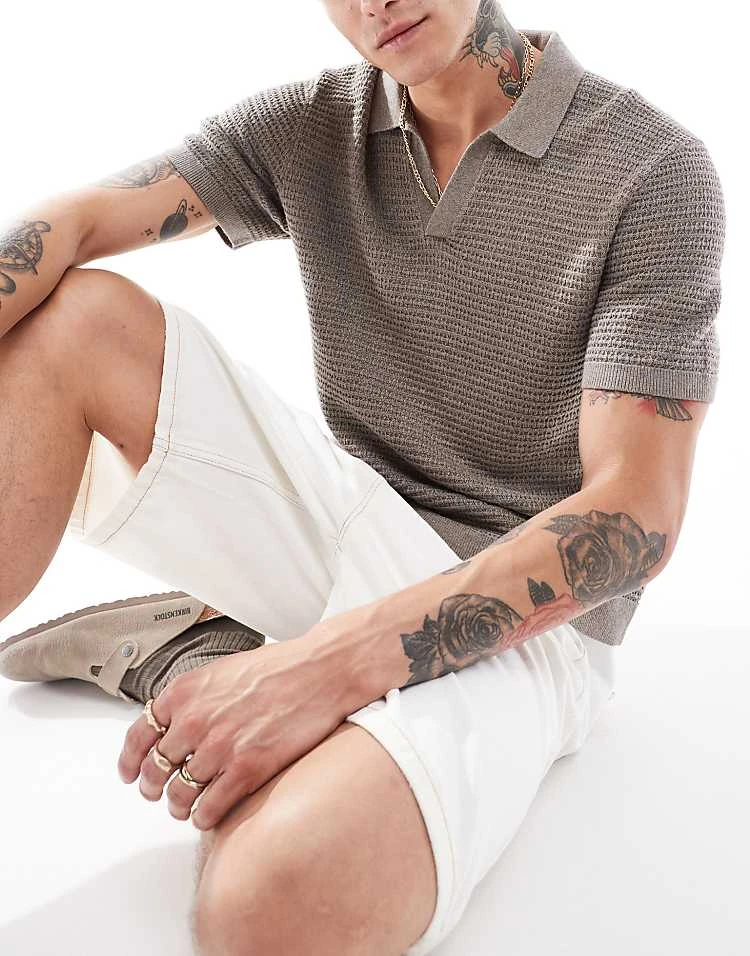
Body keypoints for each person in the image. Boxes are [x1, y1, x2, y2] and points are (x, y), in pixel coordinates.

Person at [0, 1, 725, 953]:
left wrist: (316, 671)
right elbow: (76, 220)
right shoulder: (313, 126)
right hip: (350, 514)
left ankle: (220, 649)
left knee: (272, 904)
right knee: (72, 320)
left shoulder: (651, 170)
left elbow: (636, 517)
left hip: (528, 618)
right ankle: (248, 648)